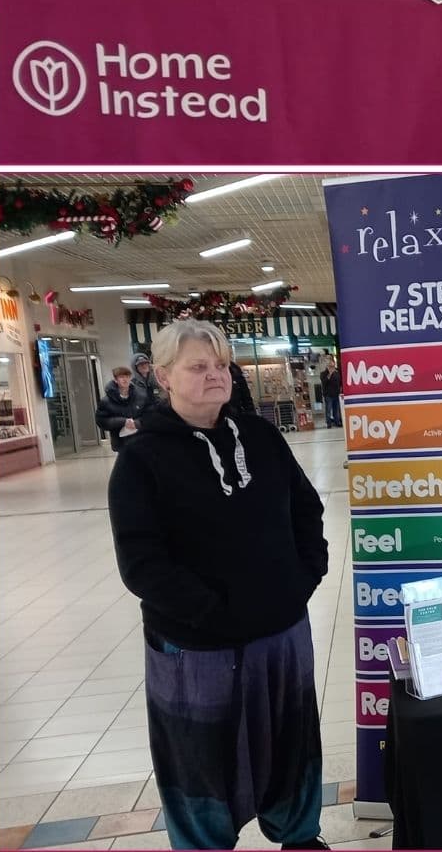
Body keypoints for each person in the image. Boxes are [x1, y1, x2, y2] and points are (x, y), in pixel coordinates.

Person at [106, 319, 329, 851]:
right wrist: (211, 612)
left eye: (222, 365)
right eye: (198, 367)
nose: (215, 376)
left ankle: (299, 836)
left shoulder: (262, 436)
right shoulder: (141, 460)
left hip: (280, 630)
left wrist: (305, 575)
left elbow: (305, 509)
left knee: (291, 739)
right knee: (199, 754)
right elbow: (141, 563)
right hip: (196, 645)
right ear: (163, 375)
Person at [96, 365, 141, 450]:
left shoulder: (139, 397)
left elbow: (148, 415)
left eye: (127, 376)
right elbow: (101, 421)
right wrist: (122, 421)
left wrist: (137, 423)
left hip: (140, 440)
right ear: (116, 380)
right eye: (121, 377)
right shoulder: (106, 401)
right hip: (121, 442)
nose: (125, 379)